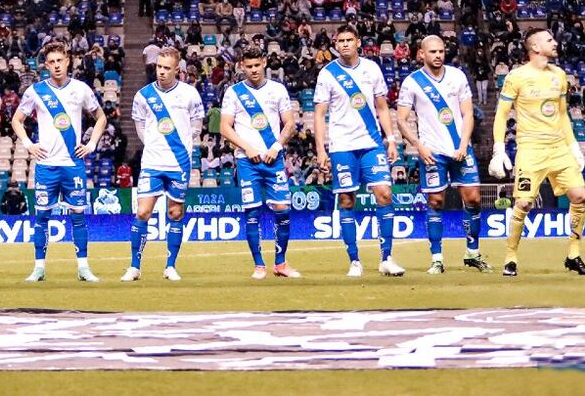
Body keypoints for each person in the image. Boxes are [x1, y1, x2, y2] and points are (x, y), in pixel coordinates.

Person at [489, 29, 585, 277]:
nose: (555, 43)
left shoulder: (559, 75)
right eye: (549, 40)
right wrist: (498, 149)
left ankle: (573, 255)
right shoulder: (516, 77)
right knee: (523, 203)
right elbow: (502, 114)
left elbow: (562, 114)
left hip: (558, 148)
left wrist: (574, 146)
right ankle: (511, 257)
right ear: (534, 47)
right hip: (530, 149)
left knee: (580, 196)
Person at [312, 25, 405, 278]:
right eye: (340, 40)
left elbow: (382, 107)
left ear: (358, 42)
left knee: (384, 194)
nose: (345, 44)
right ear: (335, 44)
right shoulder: (327, 73)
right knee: (346, 200)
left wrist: (391, 140)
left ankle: (386, 258)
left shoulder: (371, 69)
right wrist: (321, 149)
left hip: (371, 143)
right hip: (342, 145)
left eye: (349, 40)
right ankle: (354, 260)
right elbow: (319, 114)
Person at [12, 42, 108, 283]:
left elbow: (101, 117)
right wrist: (28, 144)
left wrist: (91, 144)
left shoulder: (81, 89)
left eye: (60, 61)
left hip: (73, 164)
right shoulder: (35, 91)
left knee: (78, 216)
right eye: (51, 62)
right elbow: (16, 120)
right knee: (42, 217)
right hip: (46, 165)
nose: (56, 66)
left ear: (68, 61)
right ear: (46, 65)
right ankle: (39, 268)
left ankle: (83, 268)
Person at [396, 36, 492, 275]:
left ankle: (472, 253)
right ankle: (437, 258)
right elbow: (401, 120)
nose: (438, 55)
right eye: (432, 52)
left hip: (460, 149)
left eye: (441, 51)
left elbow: (468, 114)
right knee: (436, 202)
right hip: (432, 152)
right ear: (421, 54)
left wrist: (464, 144)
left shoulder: (457, 76)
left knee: (473, 199)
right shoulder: (412, 82)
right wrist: (418, 146)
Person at [122, 47, 204, 282]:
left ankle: (170, 266)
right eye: (159, 66)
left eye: (167, 68)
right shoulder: (143, 95)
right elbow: (140, 126)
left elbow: (196, 126)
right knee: (142, 212)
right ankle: (134, 266)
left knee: (175, 212)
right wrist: (153, 144)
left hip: (179, 163)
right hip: (152, 162)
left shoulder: (190, 94)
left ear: (177, 69)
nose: (161, 71)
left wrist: (182, 145)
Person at [219, 47, 301, 279]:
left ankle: (280, 263)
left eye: (257, 65)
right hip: (247, 161)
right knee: (252, 212)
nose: (254, 70)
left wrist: (276, 147)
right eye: (249, 66)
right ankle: (259, 265)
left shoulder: (278, 89)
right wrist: (247, 147)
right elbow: (224, 127)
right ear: (241, 67)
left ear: (264, 62)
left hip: (273, 159)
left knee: (283, 210)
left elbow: (289, 124)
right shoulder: (233, 92)